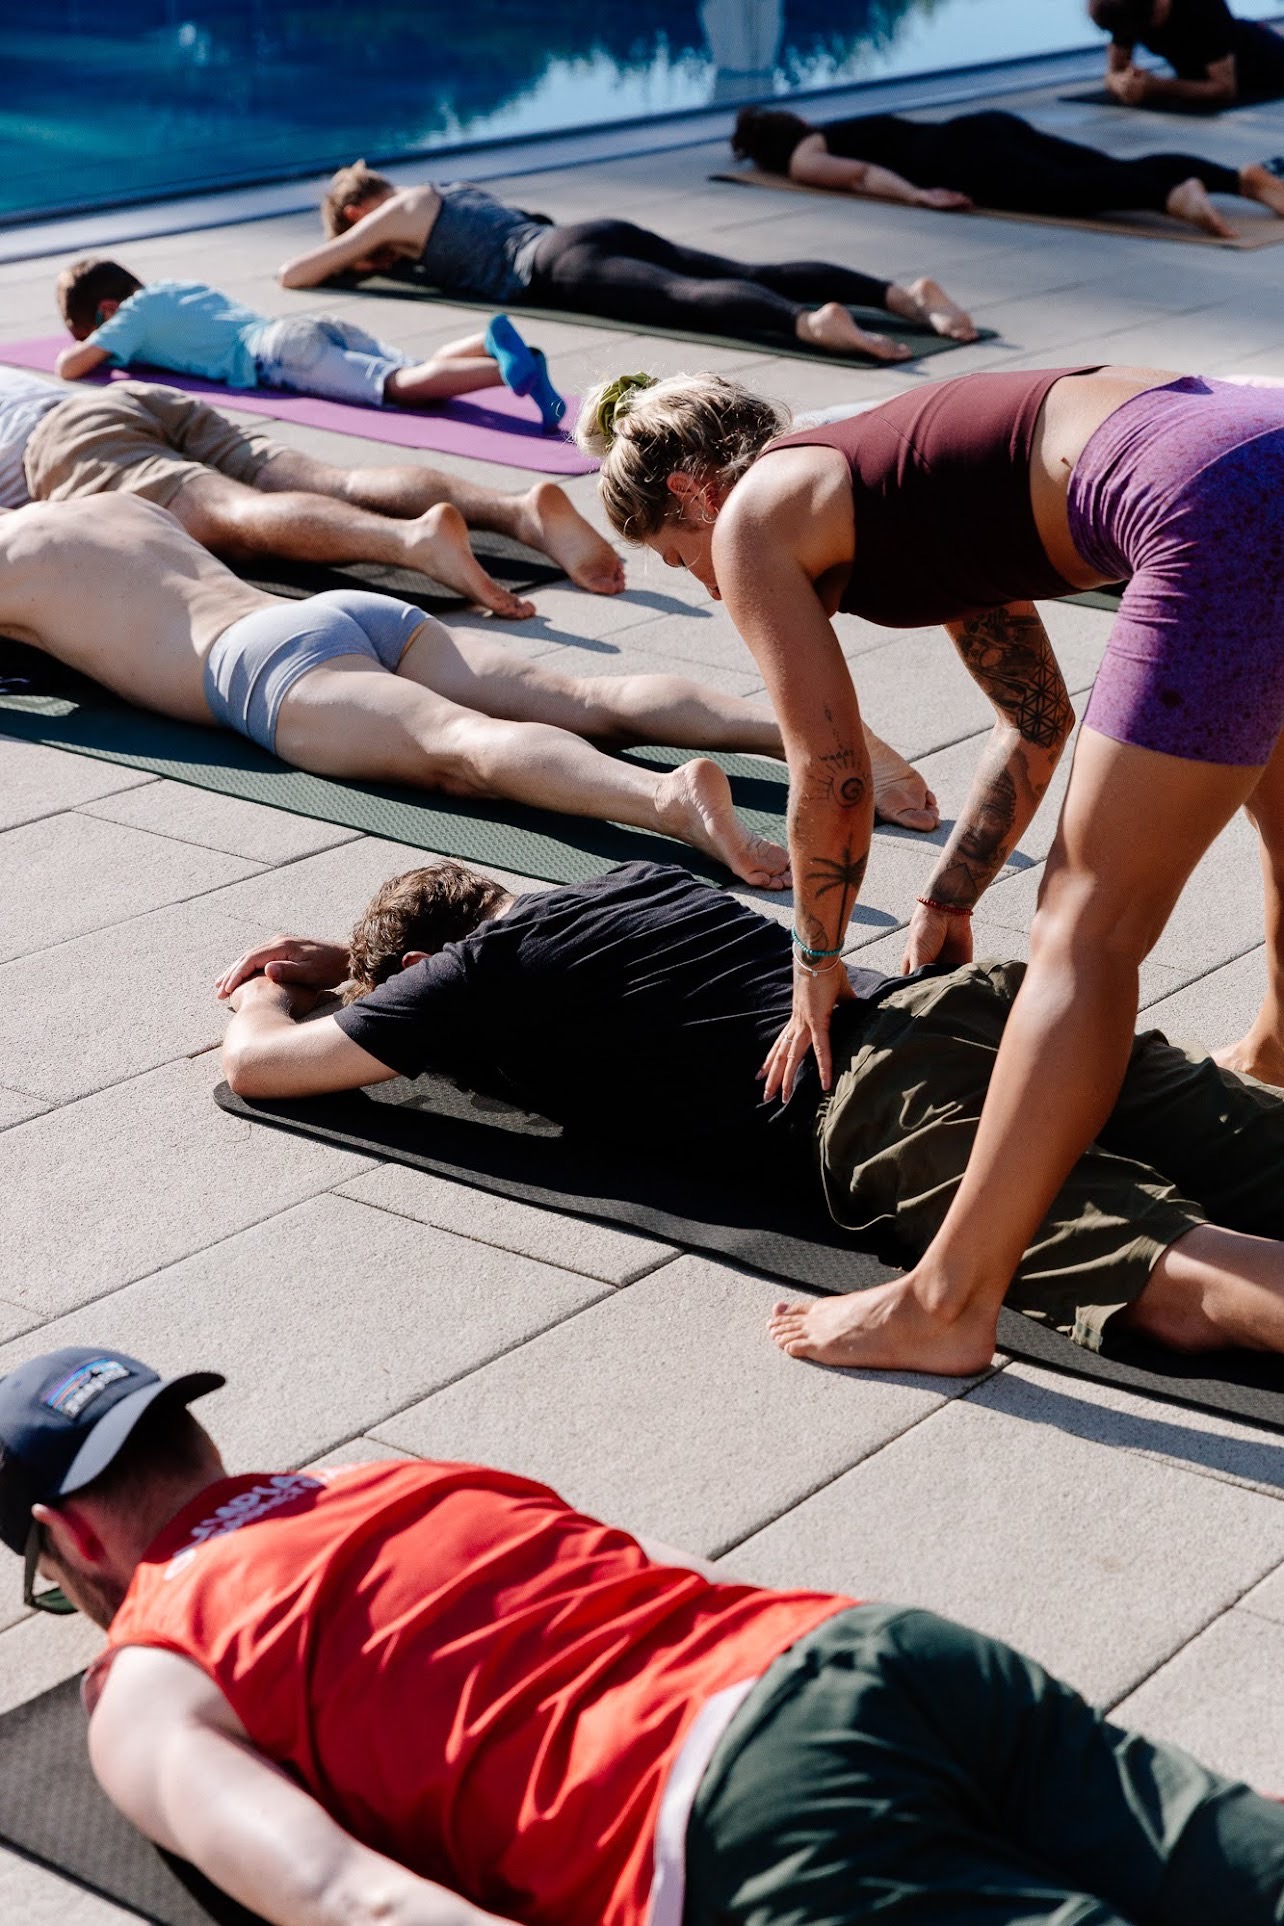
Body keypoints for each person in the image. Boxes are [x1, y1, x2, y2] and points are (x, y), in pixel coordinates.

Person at [5, 1345, 1283, 1926]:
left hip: (724, 1814)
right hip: (872, 1659)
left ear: (73, 1538)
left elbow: (355, 1901)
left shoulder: (151, 1673)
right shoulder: (414, 1481)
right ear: (205, 1443)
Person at [573, 365, 1284, 1373]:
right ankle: (1273, 1058)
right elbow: (1037, 724)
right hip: (1261, 428)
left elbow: (829, 767)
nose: (703, 579)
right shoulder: (895, 470)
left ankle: (949, 1300)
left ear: (691, 493)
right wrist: (949, 895)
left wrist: (816, 962)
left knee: (1084, 932)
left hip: (1220, 498)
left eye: (680, 558)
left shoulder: (751, 522)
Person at [218, 857, 1284, 1364]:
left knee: (1177, 1284)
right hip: (982, 1009)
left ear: (417, 968)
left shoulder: (477, 973)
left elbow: (265, 1069)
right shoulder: (637, 883)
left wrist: (265, 986)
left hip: (884, 1106)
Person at [0, 491, 797, 885]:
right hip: (338, 612)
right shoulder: (114, 502)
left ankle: (664, 801)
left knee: (463, 752)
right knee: (580, 696)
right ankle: (801, 732)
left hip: (258, 669)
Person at [0, 360, 622, 617]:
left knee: (229, 516)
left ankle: (412, 541)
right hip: (122, 402)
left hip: (57, 445)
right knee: (333, 479)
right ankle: (518, 511)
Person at [276, 161, 979, 366]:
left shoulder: (398, 211)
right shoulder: (450, 191)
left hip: (556, 264)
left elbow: (296, 274)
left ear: (358, 213)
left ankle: (807, 325)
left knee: (684, 296)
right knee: (751, 265)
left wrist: (352, 248)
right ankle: (903, 293)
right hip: (589, 231)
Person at [730, 101, 1284, 240]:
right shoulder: (835, 123)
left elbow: (859, 175)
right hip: (980, 126)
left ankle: (1175, 198)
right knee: (1103, 164)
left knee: (1064, 190)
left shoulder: (804, 156)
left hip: (960, 160)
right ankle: (1242, 180)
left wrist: (919, 197)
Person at [1090, 0, 1284, 106]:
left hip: (1265, 60)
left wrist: (1155, 87)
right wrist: (1121, 85)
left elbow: (1225, 88)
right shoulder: (1126, 12)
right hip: (1199, 72)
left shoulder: (1203, 7)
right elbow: (1112, 72)